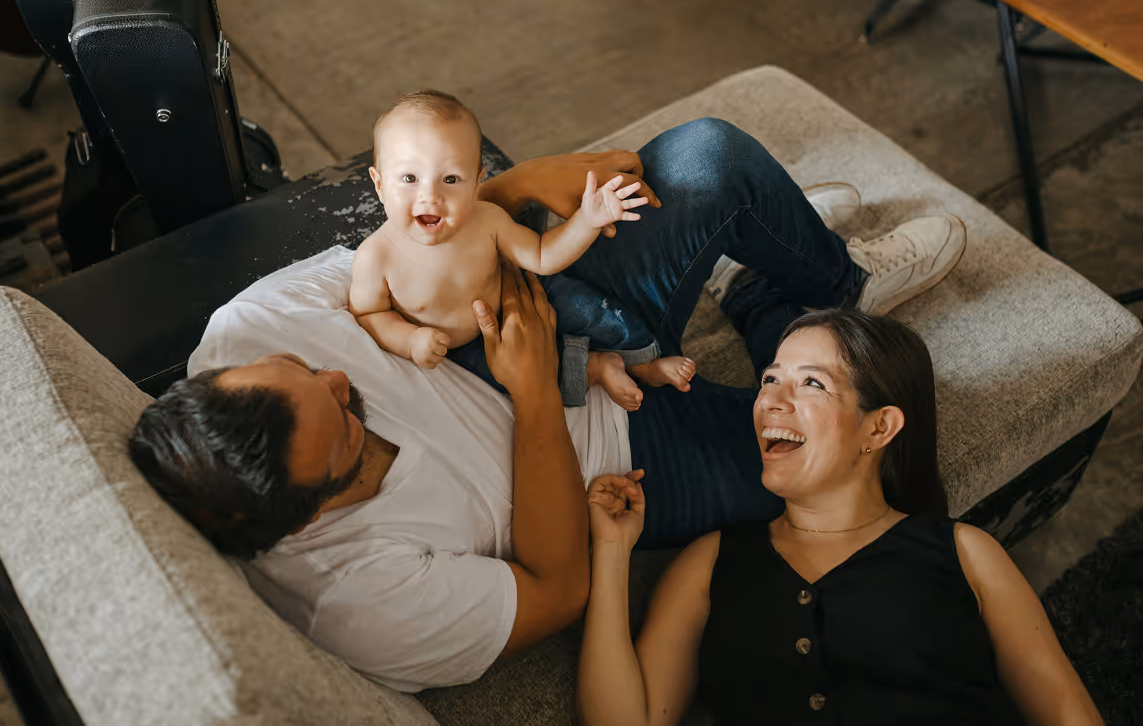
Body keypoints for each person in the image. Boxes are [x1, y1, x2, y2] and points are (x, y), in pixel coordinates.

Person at [129, 117, 967, 692]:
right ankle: (759, 289)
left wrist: (516, 189)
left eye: (307, 369)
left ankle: (833, 280)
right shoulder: (355, 604)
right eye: (346, 423)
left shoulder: (245, 329)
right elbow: (559, 589)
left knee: (712, 159)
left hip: (537, 307)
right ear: (311, 516)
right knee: (861, 474)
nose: (340, 381)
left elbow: (401, 253)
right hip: (614, 455)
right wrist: (534, 394)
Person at [578, 310, 1103, 726]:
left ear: (879, 429)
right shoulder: (710, 563)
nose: (769, 401)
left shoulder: (965, 553)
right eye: (769, 378)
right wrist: (611, 551)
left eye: (811, 384)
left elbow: (1066, 713)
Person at [351, 88, 695, 411]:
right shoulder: (377, 256)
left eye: (451, 179)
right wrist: (410, 340)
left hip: (517, 296)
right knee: (507, 382)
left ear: (476, 182)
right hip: (466, 350)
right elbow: (370, 315)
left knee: (587, 306)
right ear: (379, 184)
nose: (431, 196)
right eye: (409, 179)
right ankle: (597, 369)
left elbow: (543, 256)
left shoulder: (486, 221)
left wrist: (587, 221)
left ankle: (644, 361)